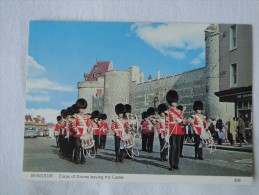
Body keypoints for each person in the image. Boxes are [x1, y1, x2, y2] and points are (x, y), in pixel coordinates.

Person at [166, 90, 186, 170]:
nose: (174, 103)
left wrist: (181, 121)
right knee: (173, 147)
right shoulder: (168, 112)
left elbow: (184, 121)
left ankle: (176, 164)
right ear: (170, 102)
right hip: (172, 131)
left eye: (175, 101)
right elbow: (167, 122)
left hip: (179, 131)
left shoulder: (180, 111)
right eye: (173, 101)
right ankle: (171, 164)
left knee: (178, 148)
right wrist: (166, 133)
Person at [73, 98, 91, 164]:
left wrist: (89, 128)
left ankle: (83, 159)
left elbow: (89, 124)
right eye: (81, 108)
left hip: (85, 132)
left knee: (84, 146)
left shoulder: (87, 116)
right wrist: (76, 130)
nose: (82, 110)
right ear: (78, 108)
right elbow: (73, 125)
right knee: (77, 146)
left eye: (83, 108)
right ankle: (76, 158)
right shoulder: (76, 116)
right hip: (78, 133)